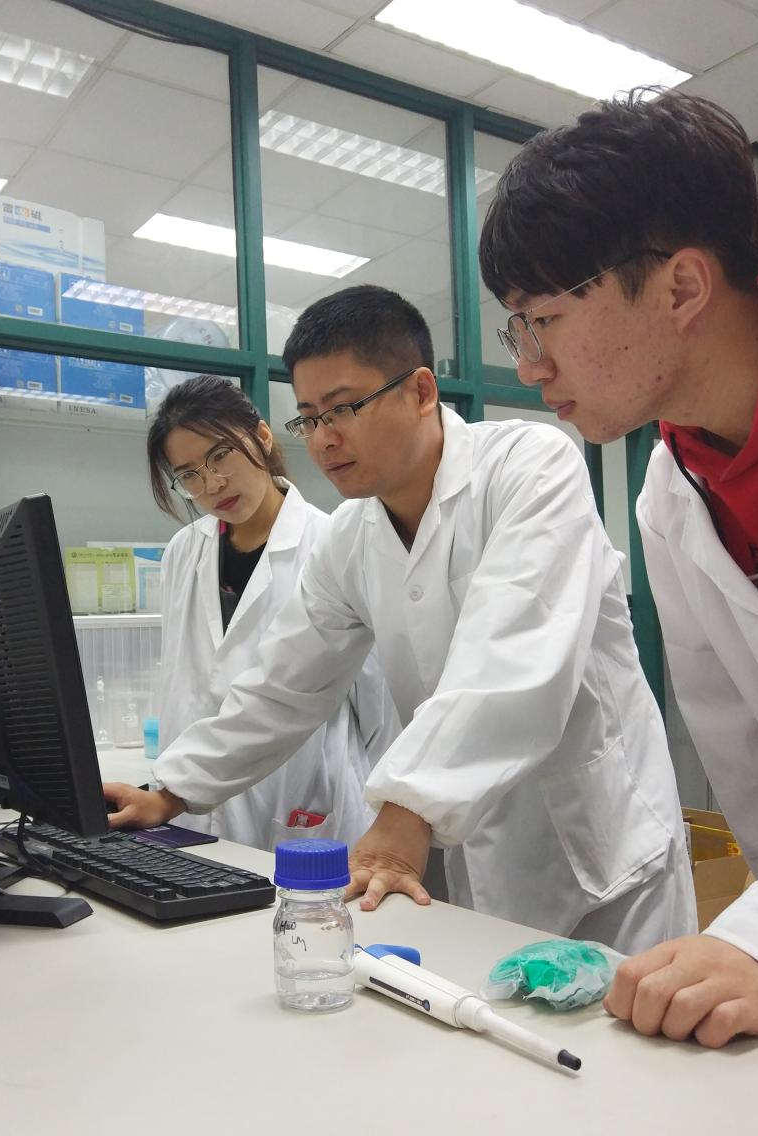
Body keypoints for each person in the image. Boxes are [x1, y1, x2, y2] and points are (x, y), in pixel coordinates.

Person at [105, 286, 696, 956]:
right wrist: (173, 791)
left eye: (344, 409)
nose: (324, 438)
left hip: (604, 858)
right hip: (480, 862)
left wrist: (408, 811)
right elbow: (284, 687)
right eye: (308, 418)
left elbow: (512, 657)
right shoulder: (350, 537)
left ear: (420, 391)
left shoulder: (530, 465)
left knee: (629, 1021)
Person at [478, 87, 758, 1048]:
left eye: (542, 319)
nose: (529, 365)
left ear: (681, 288)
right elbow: (756, 779)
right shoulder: (671, 491)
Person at [144, 374, 398, 851]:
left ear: (262, 436)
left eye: (221, 455)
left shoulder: (331, 543)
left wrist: (388, 817)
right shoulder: (183, 551)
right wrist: (169, 786)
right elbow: (182, 682)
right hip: (194, 814)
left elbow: (379, 705)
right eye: (189, 475)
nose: (212, 484)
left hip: (304, 799)